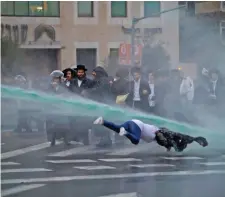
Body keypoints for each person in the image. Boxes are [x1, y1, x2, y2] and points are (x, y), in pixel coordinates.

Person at [93, 117, 208, 152]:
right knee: (136, 141)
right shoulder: (162, 133)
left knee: (118, 128)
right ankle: (126, 133)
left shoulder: (163, 140)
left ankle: (103, 122)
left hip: (132, 123)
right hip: (137, 125)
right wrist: (197, 139)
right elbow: (177, 137)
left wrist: (168, 148)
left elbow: (170, 144)